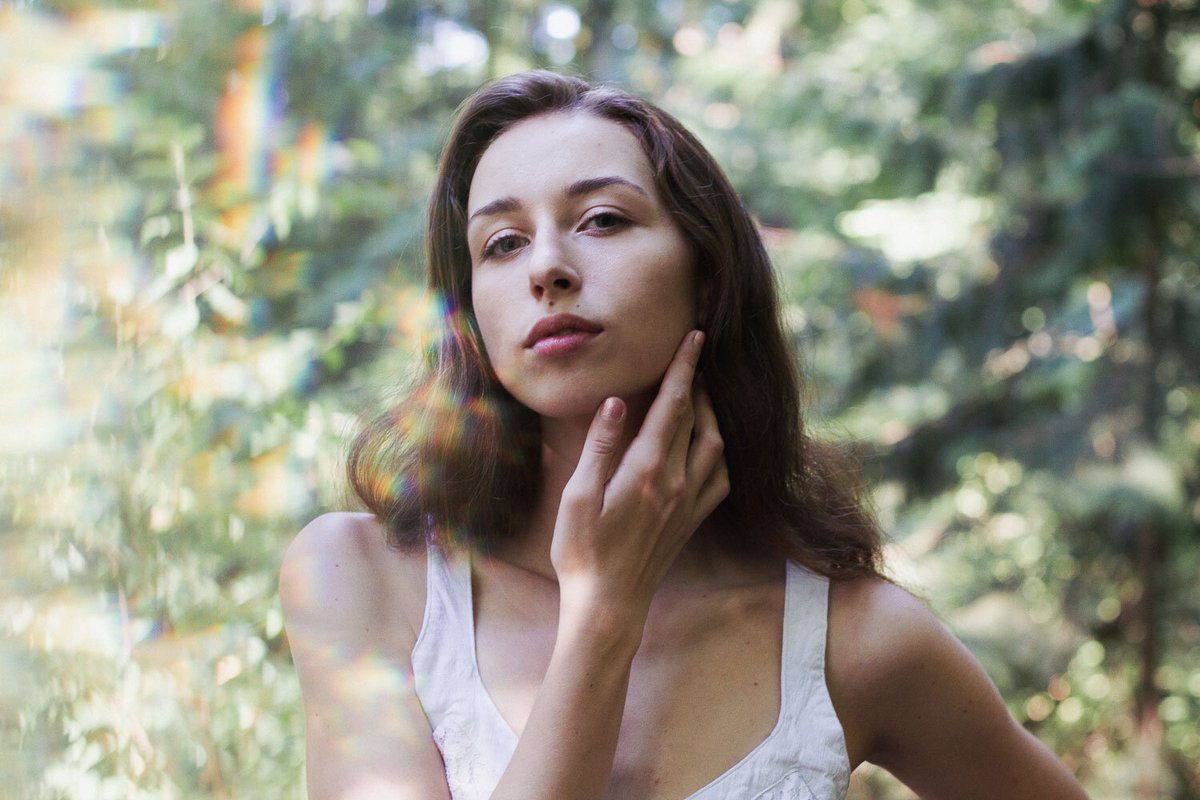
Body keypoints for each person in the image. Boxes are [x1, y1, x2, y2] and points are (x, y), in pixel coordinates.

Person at [280, 71, 1090, 800]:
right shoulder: (363, 580)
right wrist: (604, 614)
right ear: (473, 314)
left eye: (600, 220)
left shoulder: (853, 639)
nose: (546, 268)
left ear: (707, 276)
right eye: (503, 242)